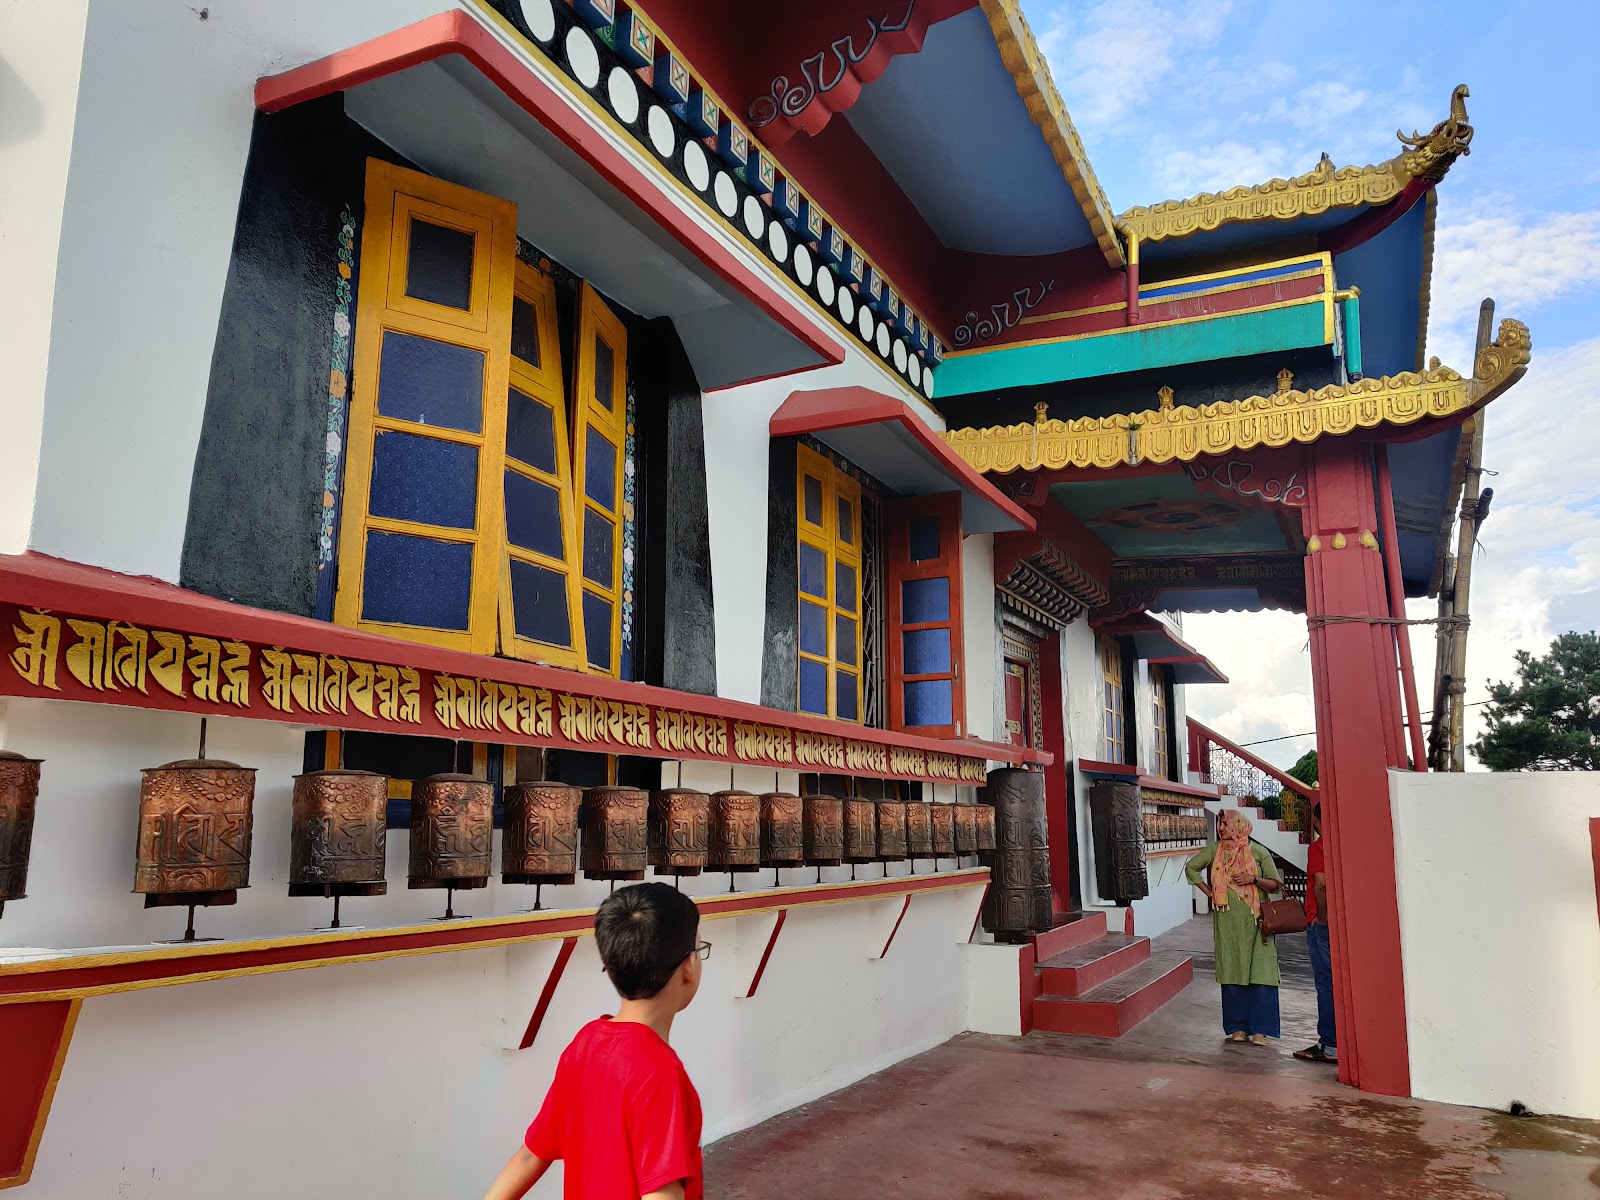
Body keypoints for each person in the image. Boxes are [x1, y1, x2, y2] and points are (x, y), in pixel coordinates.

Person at [482, 882, 709, 1200]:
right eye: (700, 950)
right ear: (687, 967)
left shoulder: (586, 1045)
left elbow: (531, 1155)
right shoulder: (662, 1075)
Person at [1185, 809, 1283, 1046]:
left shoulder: (1258, 852)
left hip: (1257, 924)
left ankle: (1261, 1030)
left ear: (1239, 825)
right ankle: (1237, 1027)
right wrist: (1210, 894)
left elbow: (1276, 886)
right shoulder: (1215, 851)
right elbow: (1191, 868)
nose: (1221, 828)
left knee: (1262, 974)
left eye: (1226, 824)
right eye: (1220, 823)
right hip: (1227, 925)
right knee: (1231, 970)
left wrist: (1253, 880)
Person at [1294, 802, 1337, 1064]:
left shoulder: (1320, 847)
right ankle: (1332, 1041)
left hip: (1321, 924)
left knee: (1326, 983)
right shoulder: (1346, 846)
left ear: (1319, 820)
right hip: (1342, 923)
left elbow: (1320, 883)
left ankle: (1330, 1044)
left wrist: (1322, 918)